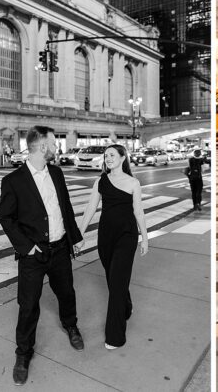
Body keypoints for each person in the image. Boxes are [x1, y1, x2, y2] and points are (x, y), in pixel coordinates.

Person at [0, 125, 84, 385]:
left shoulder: (56, 173)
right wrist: (26, 246)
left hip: (59, 249)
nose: (57, 147)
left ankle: (71, 325)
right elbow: (6, 218)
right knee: (28, 305)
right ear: (43, 146)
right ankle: (23, 353)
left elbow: (65, 208)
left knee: (67, 293)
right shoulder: (13, 181)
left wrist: (75, 239)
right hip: (33, 255)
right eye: (54, 143)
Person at [76, 144, 149, 350]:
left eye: (112, 155)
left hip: (126, 237)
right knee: (113, 278)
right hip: (106, 236)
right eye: (105, 155)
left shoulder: (133, 183)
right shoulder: (100, 181)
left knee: (116, 284)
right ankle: (126, 306)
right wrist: (79, 234)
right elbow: (91, 207)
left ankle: (115, 336)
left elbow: (139, 212)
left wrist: (144, 237)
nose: (107, 158)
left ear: (123, 157)